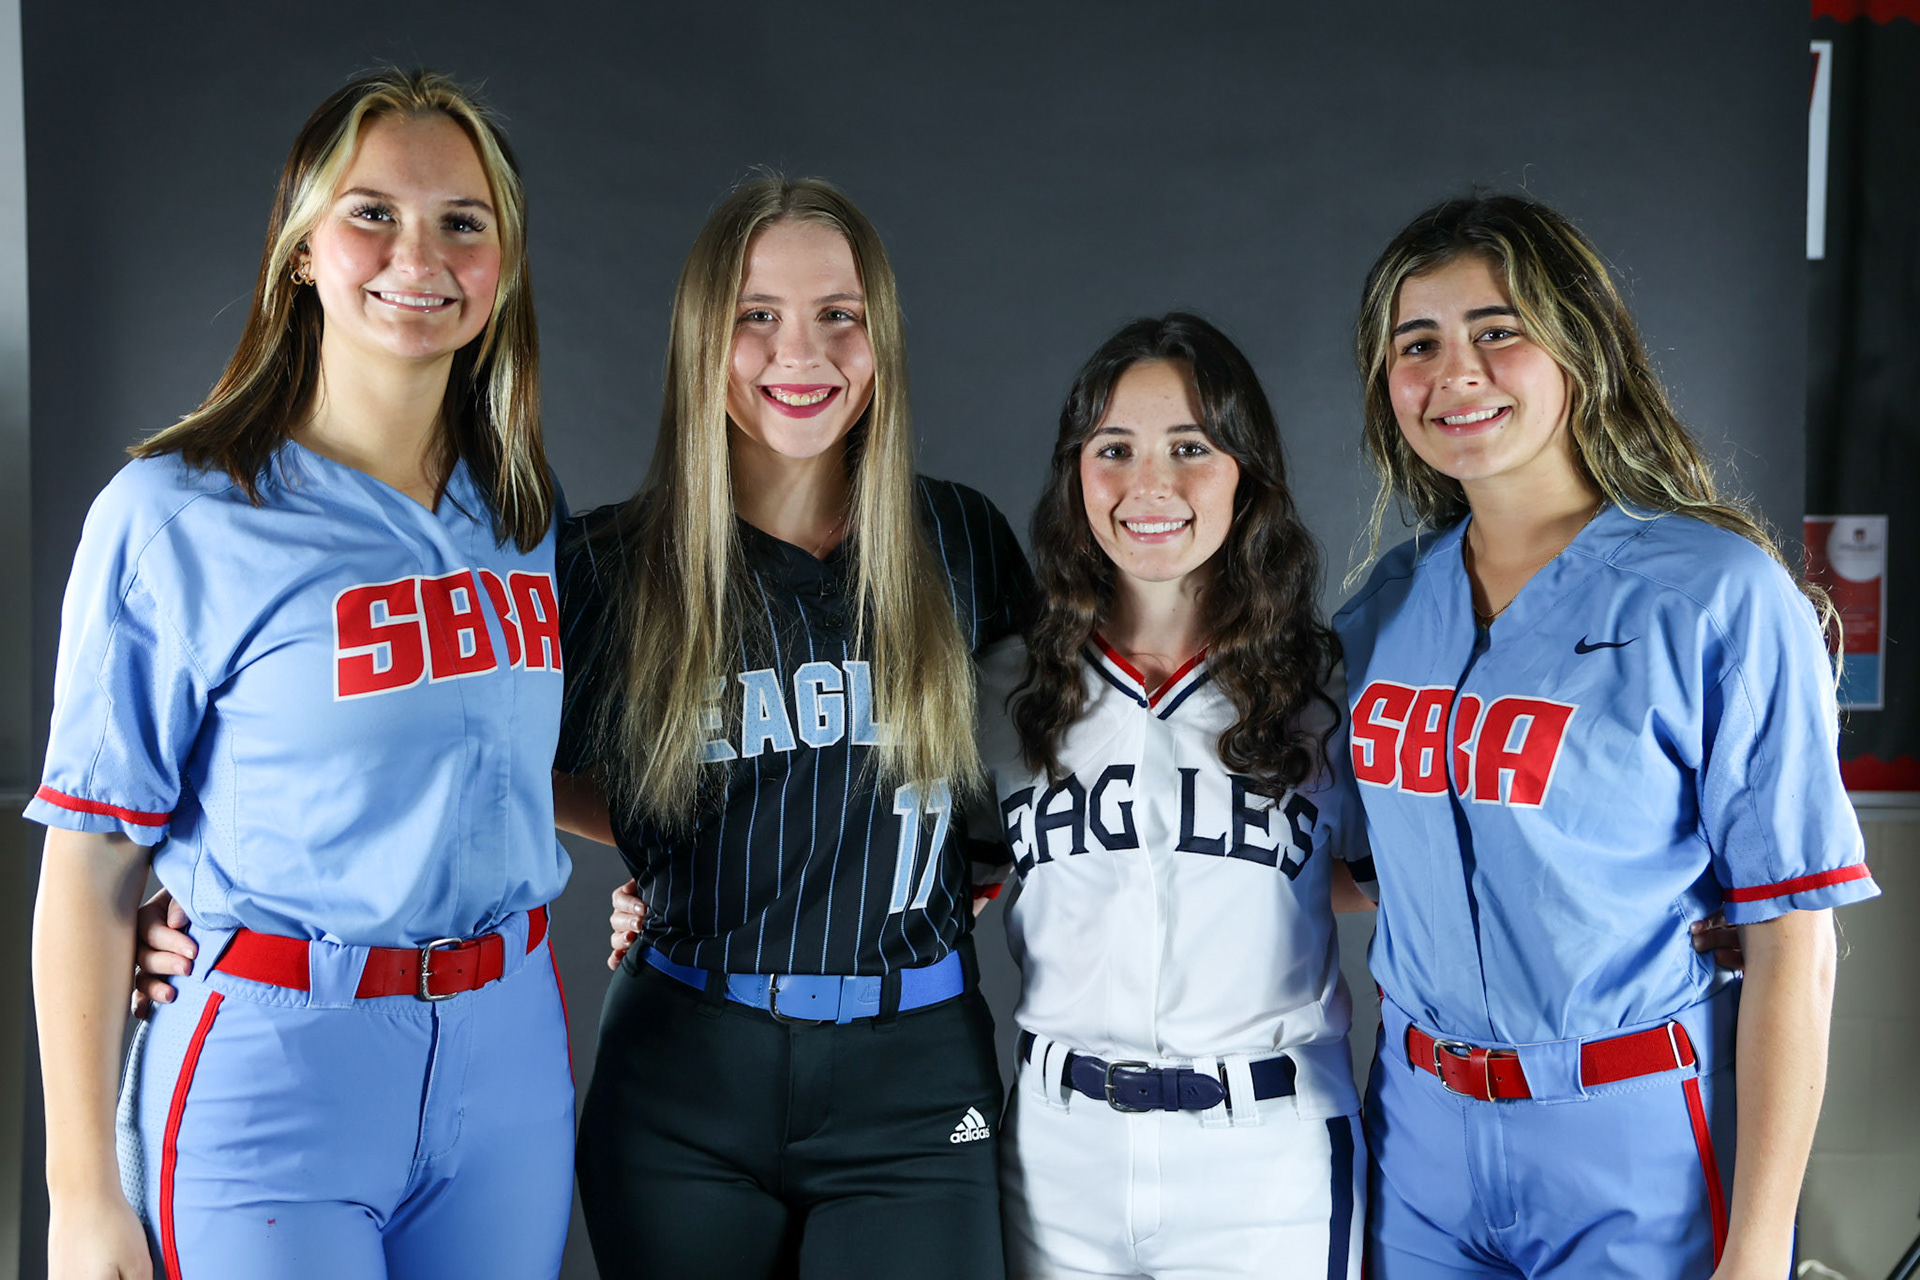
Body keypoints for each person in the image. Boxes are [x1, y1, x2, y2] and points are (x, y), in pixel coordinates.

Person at [29, 70, 574, 1280]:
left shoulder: (524, 515)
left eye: (462, 222)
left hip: (509, 1056)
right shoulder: (177, 513)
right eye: (371, 211)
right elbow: (90, 860)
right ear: (300, 249)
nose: (417, 254)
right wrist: (79, 1191)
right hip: (279, 1061)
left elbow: (520, 768)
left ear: (503, 266)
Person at [1334, 194, 1879, 1279]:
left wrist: (1760, 1244)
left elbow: (1791, 940)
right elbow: (1358, 861)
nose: (1457, 372)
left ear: (1579, 344)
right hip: (1418, 1124)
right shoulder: (1391, 603)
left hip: (1631, 1128)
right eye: (1418, 343)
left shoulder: (1719, 591)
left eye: (1499, 330)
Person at [560, 175, 1030, 1280]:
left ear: (883, 339)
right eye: (755, 316)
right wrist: (654, 845)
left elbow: (1033, 770)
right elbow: (492, 767)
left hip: (913, 1070)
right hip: (683, 1066)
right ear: (699, 337)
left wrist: (970, 859)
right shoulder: (607, 562)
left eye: (840, 317)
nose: (801, 354)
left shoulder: (960, 536)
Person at [972, 313, 1372, 1278]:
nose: (1150, 483)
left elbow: (1392, 876)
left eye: (1191, 447)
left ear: (1248, 473)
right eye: (1114, 449)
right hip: (1055, 1145)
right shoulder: (1002, 684)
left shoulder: (1332, 687)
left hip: (1265, 1153)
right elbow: (934, 876)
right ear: (1077, 475)